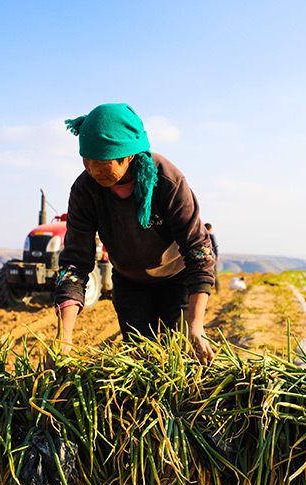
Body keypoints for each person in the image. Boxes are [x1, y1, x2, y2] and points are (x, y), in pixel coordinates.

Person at [52, 103, 216, 364]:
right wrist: (64, 338)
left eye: (102, 162)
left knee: (177, 358)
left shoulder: (166, 181)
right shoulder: (86, 190)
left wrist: (196, 326)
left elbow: (199, 250)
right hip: (130, 282)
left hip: (176, 279)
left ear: (128, 155)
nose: (93, 170)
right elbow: (74, 263)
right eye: (86, 159)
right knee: (140, 359)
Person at [205, 223, 221, 292]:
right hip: (211, 257)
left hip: (202, 257)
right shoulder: (211, 236)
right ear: (210, 229)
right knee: (214, 273)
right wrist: (217, 255)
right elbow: (215, 246)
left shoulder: (201, 235)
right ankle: (218, 289)